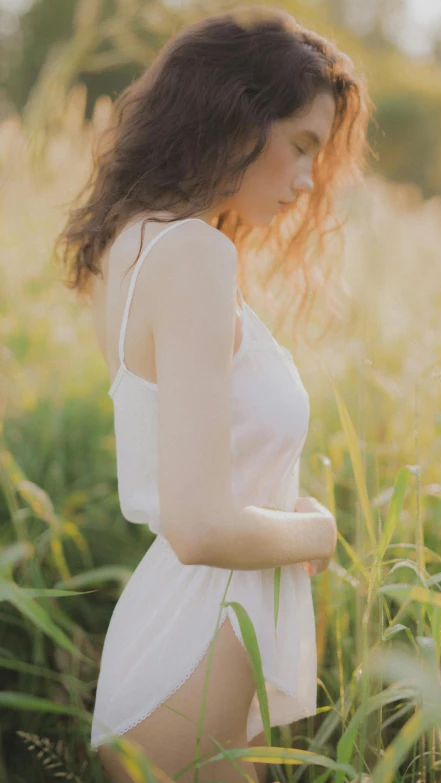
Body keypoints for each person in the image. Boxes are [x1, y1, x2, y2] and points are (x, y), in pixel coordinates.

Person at [55, 5, 371, 781]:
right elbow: (198, 525)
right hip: (197, 644)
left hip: (176, 642)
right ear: (236, 116)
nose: (305, 182)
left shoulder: (139, 238)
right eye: (299, 147)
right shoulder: (193, 254)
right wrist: (319, 530)